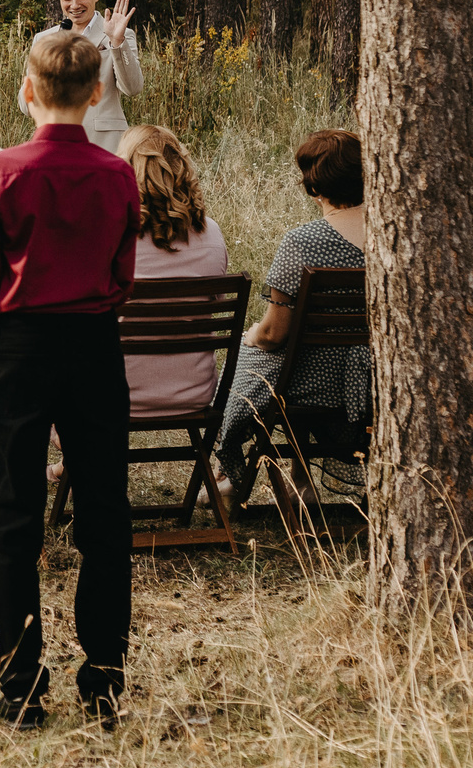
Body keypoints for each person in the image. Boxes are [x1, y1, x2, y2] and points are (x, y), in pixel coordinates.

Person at [0, 26, 140, 730]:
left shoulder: (1, 171)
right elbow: (122, 274)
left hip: (22, 345)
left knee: (15, 512)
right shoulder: (117, 174)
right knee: (105, 511)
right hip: (94, 343)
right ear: (96, 93)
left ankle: (19, 684)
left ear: (28, 90)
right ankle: (103, 675)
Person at [214, 130, 371, 499]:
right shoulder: (396, 235)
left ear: (315, 188)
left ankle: (228, 467)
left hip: (313, 384)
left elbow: (275, 334)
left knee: (254, 353)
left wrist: (253, 333)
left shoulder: (303, 242)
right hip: (372, 379)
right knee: (292, 357)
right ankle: (299, 478)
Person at [116, 126, 234, 419]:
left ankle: (68, 443)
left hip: (115, 392)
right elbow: (215, 301)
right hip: (194, 392)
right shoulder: (210, 234)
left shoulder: (110, 238)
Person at [53, 0, 144, 149]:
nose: (74, 5)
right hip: (57, 145)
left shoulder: (121, 35)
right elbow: (26, 104)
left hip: (105, 145)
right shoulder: (44, 39)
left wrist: (116, 43)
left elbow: (133, 88)